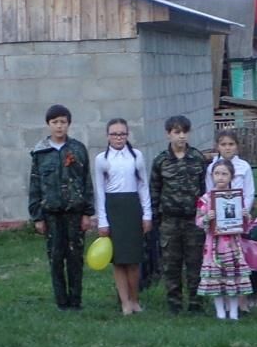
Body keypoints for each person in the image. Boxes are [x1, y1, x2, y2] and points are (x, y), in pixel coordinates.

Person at [28, 104, 94, 311]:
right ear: (48, 124)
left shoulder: (78, 149)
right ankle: (61, 302)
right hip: (51, 214)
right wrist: (37, 217)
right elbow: (35, 185)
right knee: (56, 259)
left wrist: (87, 213)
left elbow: (86, 182)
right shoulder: (40, 152)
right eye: (55, 122)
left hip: (75, 213)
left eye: (63, 122)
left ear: (69, 124)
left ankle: (76, 301)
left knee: (75, 258)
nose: (59, 126)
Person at [150, 114, 208, 314]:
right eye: (177, 132)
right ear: (168, 135)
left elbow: (204, 191)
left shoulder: (198, 158)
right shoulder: (161, 161)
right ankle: (174, 304)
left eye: (184, 132)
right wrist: (155, 220)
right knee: (171, 264)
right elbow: (155, 191)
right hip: (170, 221)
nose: (181, 136)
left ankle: (196, 303)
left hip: (194, 220)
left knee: (195, 263)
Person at [93, 118, 151, 315]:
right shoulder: (102, 159)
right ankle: (124, 302)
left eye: (122, 134)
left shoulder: (137, 156)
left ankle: (135, 300)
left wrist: (147, 215)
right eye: (114, 134)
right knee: (118, 260)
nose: (118, 137)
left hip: (133, 208)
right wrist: (103, 220)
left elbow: (143, 186)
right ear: (108, 136)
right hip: (113, 209)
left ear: (127, 135)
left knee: (133, 259)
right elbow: (100, 191)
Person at [197, 158, 253, 319]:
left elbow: (244, 223)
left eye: (224, 174)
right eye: (217, 174)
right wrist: (208, 217)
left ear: (231, 177)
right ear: (212, 176)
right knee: (217, 278)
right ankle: (220, 312)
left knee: (232, 278)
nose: (220, 177)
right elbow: (198, 221)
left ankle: (234, 312)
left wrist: (245, 217)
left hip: (232, 246)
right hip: (213, 246)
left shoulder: (236, 197)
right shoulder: (206, 199)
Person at [205, 129, 256, 216]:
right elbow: (209, 191)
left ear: (236, 146)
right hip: (218, 213)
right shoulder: (212, 167)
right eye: (223, 144)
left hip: (240, 212)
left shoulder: (244, 166)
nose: (227, 148)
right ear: (217, 146)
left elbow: (249, 193)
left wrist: (244, 211)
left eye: (231, 144)